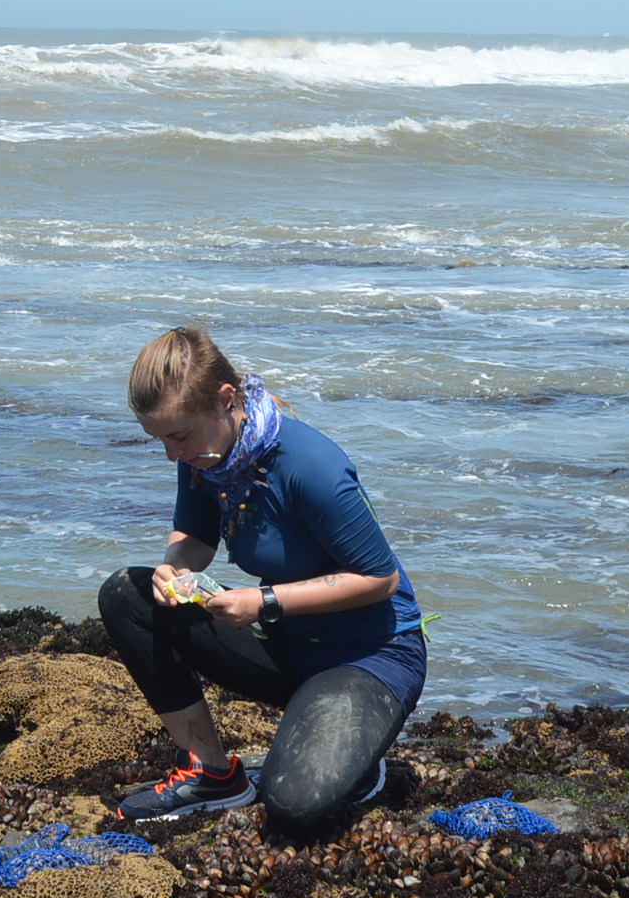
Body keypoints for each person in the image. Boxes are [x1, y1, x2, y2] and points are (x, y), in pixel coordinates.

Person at [99, 326, 427, 834]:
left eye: (177, 436)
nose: (170, 454)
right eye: (159, 439)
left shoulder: (310, 465)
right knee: (128, 594)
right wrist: (175, 566)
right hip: (288, 646)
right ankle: (211, 773)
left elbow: (379, 578)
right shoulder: (207, 457)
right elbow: (196, 539)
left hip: (369, 656)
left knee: (294, 807)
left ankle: (367, 764)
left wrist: (264, 601)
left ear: (226, 400)